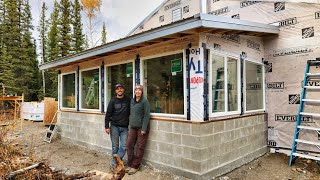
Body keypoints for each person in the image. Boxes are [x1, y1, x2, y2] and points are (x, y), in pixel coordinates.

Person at [105, 83, 131, 171]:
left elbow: (132, 111)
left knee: (124, 146)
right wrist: (106, 127)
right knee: (115, 147)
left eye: (121, 88)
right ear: (116, 91)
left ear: (123, 90)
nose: (119, 90)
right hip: (114, 127)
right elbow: (108, 114)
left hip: (124, 128)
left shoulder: (128, 100)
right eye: (117, 89)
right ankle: (116, 165)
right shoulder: (112, 101)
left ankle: (114, 162)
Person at [126, 84, 151, 175]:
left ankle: (135, 166)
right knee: (129, 144)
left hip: (141, 128)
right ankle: (130, 164)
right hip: (133, 127)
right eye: (136, 90)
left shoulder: (145, 102)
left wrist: (144, 128)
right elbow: (131, 114)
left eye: (139, 90)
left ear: (142, 91)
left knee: (140, 147)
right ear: (134, 91)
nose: (138, 91)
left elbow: (146, 116)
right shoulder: (132, 101)